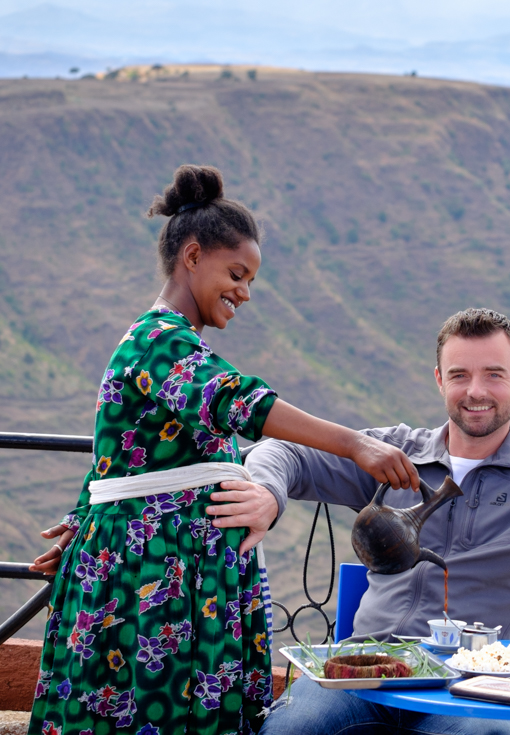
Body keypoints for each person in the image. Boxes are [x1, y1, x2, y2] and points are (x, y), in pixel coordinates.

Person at [27, 164, 420, 735]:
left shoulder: (172, 345)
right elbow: (242, 403)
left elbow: (122, 454)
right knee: (147, 710)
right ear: (192, 257)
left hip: (183, 569)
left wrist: (85, 513)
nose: (244, 291)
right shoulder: (160, 342)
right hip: (152, 573)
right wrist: (358, 444)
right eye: (236, 273)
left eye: (251, 280)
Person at [244, 307, 510, 735]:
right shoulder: (396, 454)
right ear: (439, 380)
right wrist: (268, 492)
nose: (476, 391)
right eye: (459, 375)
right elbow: (282, 451)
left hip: (474, 688)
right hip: (366, 675)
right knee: (288, 729)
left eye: (494, 374)